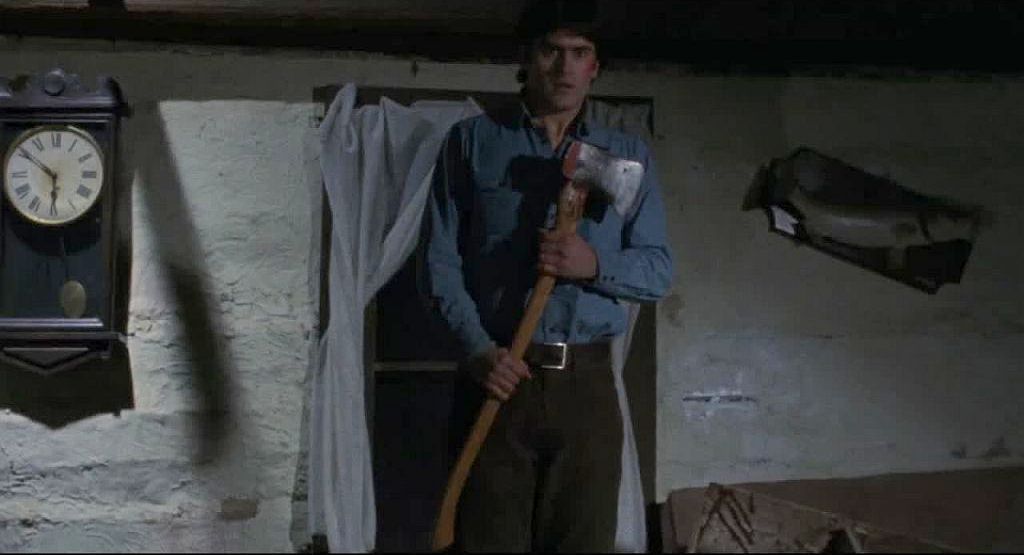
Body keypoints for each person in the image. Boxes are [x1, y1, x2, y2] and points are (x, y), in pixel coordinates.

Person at [420, 0, 672, 551]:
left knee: (582, 541)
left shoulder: (626, 154)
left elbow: (657, 270)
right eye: (550, 51)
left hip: (587, 383)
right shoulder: (472, 142)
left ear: (595, 67)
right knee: (486, 540)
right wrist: (477, 350)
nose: (564, 67)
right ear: (526, 58)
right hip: (499, 373)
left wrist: (594, 264)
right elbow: (438, 262)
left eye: (579, 53)